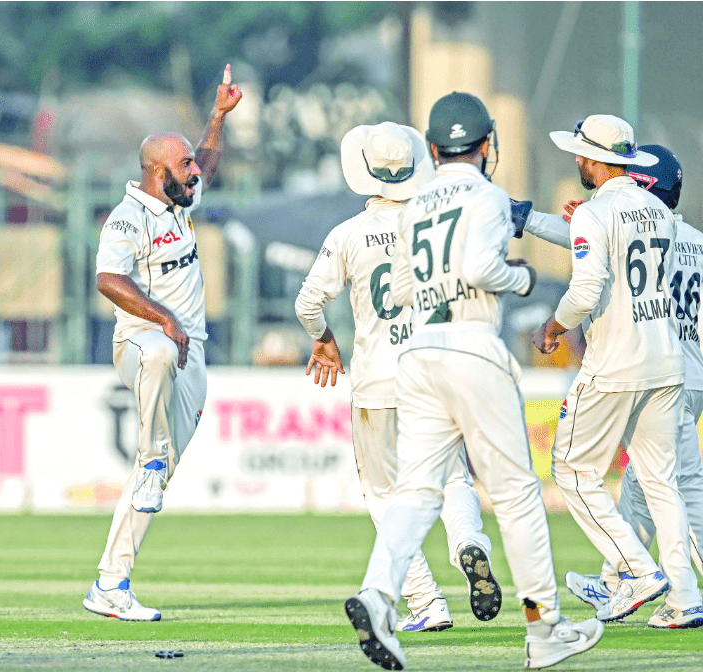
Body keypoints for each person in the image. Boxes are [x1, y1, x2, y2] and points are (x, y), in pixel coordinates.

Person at [344, 92, 603, 671]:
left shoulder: (413, 205)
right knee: (515, 495)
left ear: (433, 151)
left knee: (415, 492)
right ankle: (544, 632)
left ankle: (379, 596)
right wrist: (522, 278)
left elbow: (406, 291)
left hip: (418, 354)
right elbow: (482, 269)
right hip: (471, 346)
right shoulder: (486, 195)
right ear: (487, 145)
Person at [295, 122, 500, 633]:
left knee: (386, 496)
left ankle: (426, 601)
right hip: (438, 373)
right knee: (453, 479)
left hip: (379, 381)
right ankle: (469, 545)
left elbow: (308, 304)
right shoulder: (442, 225)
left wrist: (323, 339)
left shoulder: (347, 235)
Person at [520, 144, 703, 628]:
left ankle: (636, 573)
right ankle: (664, 592)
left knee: (580, 472)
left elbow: (588, 280)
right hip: (676, 365)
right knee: (661, 486)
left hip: (623, 363)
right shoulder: (675, 227)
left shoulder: (604, 214)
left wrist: (553, 328)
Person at [83, 65, 242, 621]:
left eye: (191, 164)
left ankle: (110, 584)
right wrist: (165, 319)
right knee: (156, 353)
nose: (195, 171)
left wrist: (218, 116)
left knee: (154, 484)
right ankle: (150, 457)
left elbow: (210, 160)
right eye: (184, 165)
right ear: (156, 174)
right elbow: (107, 280)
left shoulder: (180, 201)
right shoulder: (127, 219)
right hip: (140, 345)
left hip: (189, 355)